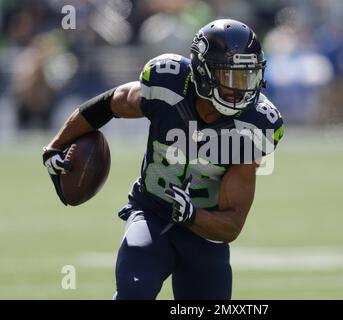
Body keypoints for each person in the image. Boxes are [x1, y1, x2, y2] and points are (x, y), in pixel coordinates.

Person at [42, 19, 284, 299]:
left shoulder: (252, 126)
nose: (240, 90)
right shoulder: (169, 85)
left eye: (248, 77)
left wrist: (192, 215)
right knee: (134, 293)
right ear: (203, 73)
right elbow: (111, 103)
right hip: (152, 213)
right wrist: (55, 146)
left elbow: (232, 223)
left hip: (205, 234)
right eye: (231, 77)